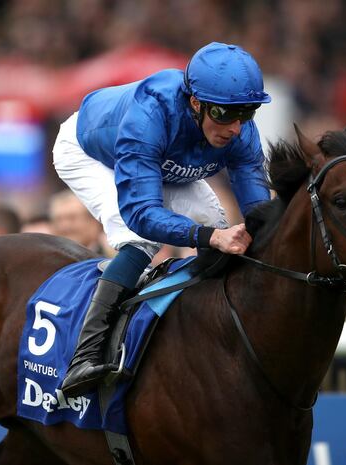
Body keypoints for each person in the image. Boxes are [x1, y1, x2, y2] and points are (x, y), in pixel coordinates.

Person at [53, 42, 272, 395]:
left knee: (223, 229)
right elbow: (141, 214)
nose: (234, 128)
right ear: (196, 103)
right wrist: (208, 238)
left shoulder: (240, 129)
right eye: (224, 114)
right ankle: (85, 355)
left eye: (246, 113)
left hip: (164, 160)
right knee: (140, 239)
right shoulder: (150, 114)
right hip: (90, 153)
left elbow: (258, 213)